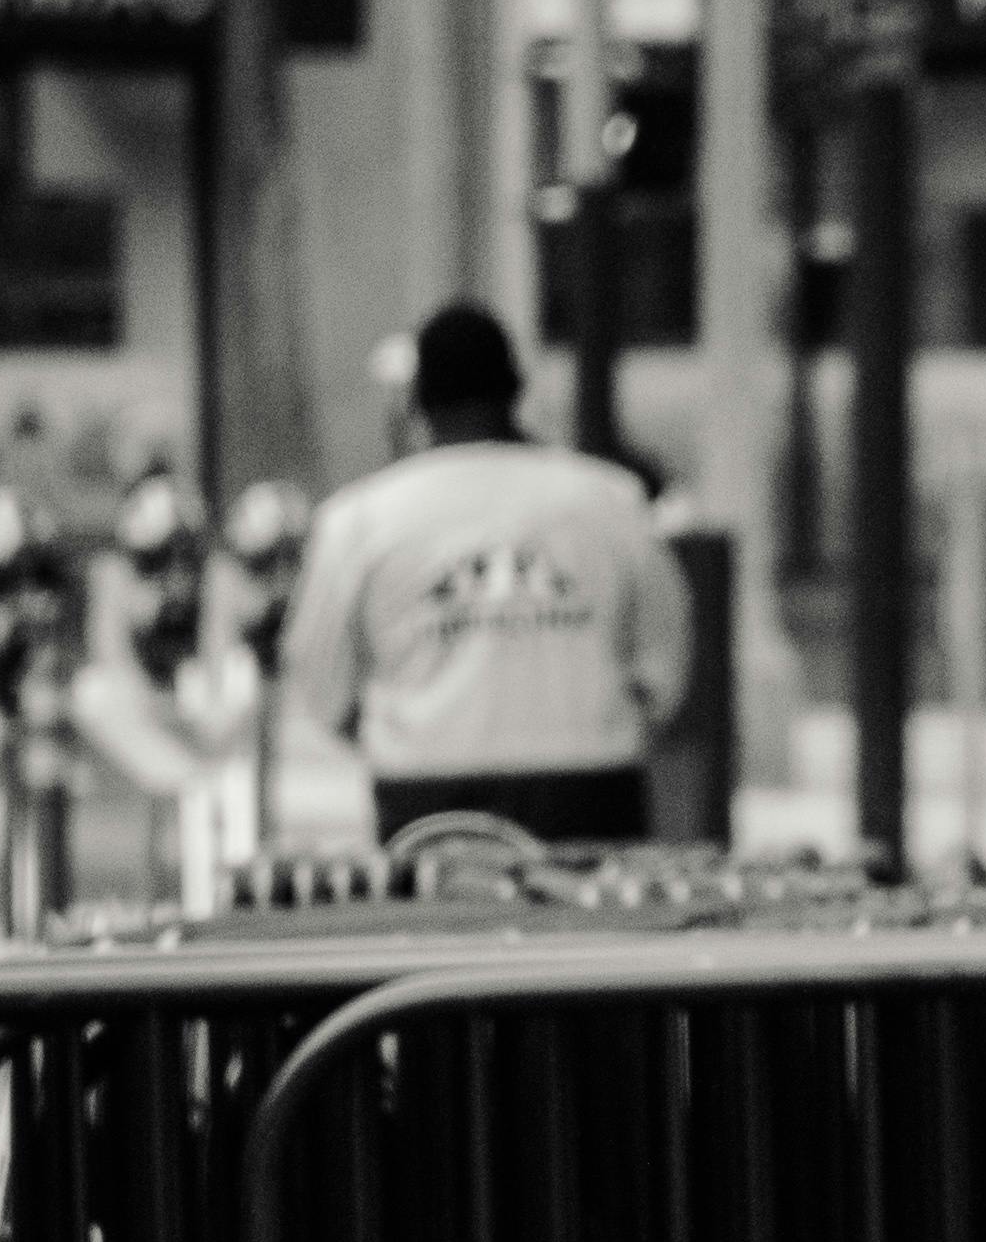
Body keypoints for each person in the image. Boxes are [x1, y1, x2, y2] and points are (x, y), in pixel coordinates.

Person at [277, 300, 692, 847]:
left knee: (439, 934)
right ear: (516, 388)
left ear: (417, 401)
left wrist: (397, 731)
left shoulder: (359, 520)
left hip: (426, 790)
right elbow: (664, 658)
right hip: (589, 787)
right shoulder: (609, 499)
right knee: (595, 934)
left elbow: (318, 674)